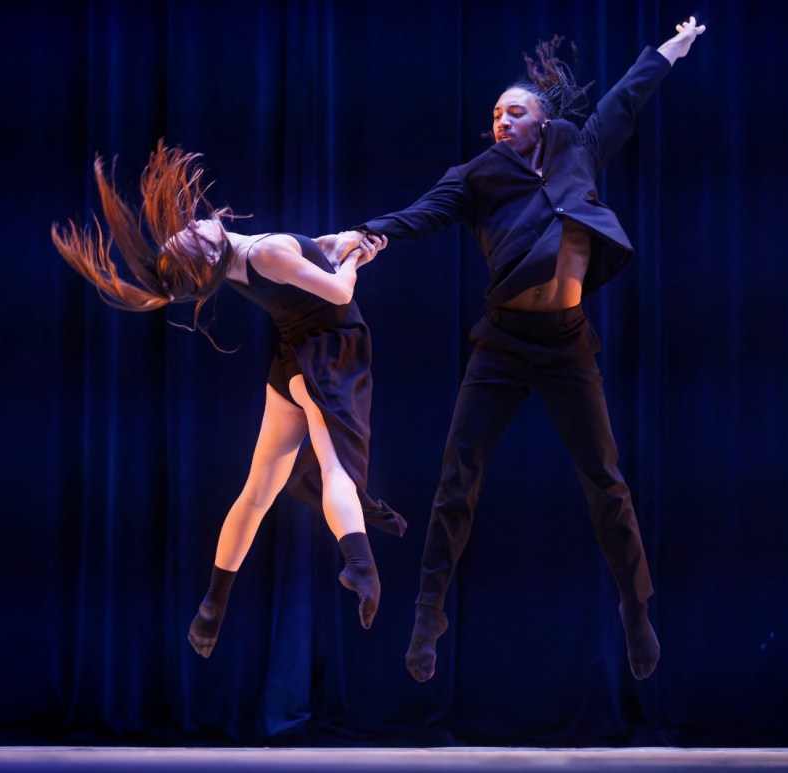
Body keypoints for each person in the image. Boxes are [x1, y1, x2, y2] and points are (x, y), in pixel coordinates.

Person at [343, 17, 706, 682]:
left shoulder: (578, 147)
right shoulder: (477, 175)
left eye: (514, 112)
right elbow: (421, 214)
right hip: (504, 344)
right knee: (457, 476)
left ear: (542, 119)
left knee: (607, 482)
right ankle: (428, 611)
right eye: (495, 115)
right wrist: (367, 233)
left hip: (566, 344)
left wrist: (671, 49)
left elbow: (625, 97)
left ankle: (635, 606)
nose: (502, 121)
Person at [51, 141, 405, 658]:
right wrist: (353, 259)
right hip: (326, 356)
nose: (195, 222)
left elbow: (310, 258)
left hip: (292, 360)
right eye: (192, 235)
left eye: (186, 229)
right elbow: (339, 293)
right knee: (336, 468)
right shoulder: (260, 253)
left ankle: (213, 605)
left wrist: (345, 244)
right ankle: (360, 564)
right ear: (210, 255)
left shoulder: (241, 258)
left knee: (258, 492)